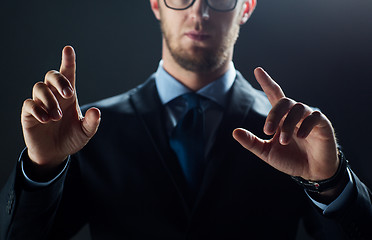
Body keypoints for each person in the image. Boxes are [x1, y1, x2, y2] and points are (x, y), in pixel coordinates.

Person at [1, 0, 371, 239]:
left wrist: (332, 183)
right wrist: (42, 169)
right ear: (157, 4)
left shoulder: (295, 135)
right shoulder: (89, 132)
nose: (200, 13)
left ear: (247, 7)